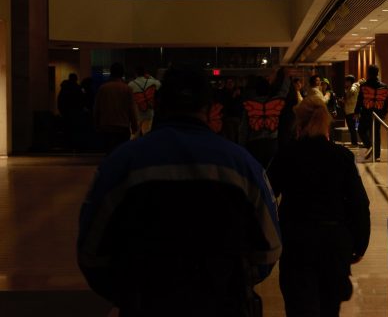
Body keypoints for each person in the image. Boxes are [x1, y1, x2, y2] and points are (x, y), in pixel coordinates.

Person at [78, 68, 282, 317]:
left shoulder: (121, 163)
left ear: (159, 104)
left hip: (147, 302)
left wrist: (128, 290)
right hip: (221, 302)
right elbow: (269, 248)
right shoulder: (242, 165)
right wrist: (232, 281)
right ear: (209, 109)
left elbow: (91, 249)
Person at [268, 96, 370, 317]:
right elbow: (359, 202)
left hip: (297, 240)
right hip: (333, 241)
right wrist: (360, 243)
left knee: (299, 307)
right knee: (329, 308)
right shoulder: (341, 157)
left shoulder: (287, 155)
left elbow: (267, 196)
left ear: (299, 123)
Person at [93, 62, 138, 154]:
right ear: (122, 74)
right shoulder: (127, 89)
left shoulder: (103, 88)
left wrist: (97, 124)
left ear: (111, 72)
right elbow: (131, 109)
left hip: (106, 126)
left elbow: (97, 108)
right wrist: (134, 126)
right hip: (122, 127)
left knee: (109, 152)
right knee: (121, 153)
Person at [354, 64, 388, 161]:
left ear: (368, 73)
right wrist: (384, 112)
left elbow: (360, 100)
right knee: (376, 133)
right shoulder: (384, 86)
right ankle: (377, 155)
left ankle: (369, 145)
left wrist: (356, 112)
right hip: (378, 113)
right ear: (377, 73)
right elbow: (386, 101)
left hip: (366, 112)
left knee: (361, 130)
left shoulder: (364, 86)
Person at [128, 66, 161, 137]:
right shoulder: (152, 82)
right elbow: (159, 84)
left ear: (135, 74)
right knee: (147, 135)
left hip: (137, 113)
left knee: (135, 136)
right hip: (149, 112)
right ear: (145, 73)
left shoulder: (131, 84)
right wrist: (150, 77)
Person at [57, 73, 84, 150]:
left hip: (66, 112)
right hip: (76, 113)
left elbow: (60, 100)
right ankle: (74, 145)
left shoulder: (64, 88)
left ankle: (67, 145)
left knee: (67, 130)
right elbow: (81, 101)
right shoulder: (78, 88)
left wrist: (62, 111)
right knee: (75, 130)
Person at [342, 75, 360, 146]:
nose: (345, 83)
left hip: (351, 111)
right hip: (350, 110)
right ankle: (354, 142)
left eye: (346, 81)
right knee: (352, 128)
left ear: (349, 81)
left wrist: (346, 97)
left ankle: (354, 143)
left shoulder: (353, 87)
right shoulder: (351, 87)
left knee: (352, 128)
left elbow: (352, 92)